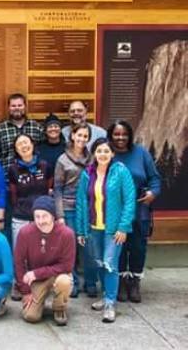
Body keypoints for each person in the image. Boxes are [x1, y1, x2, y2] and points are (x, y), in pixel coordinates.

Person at [76, 138, 136, 323]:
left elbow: (130, 200)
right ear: (94, 154)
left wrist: (123, 227)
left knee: (110, 264)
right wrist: (81, 230)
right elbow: (81, 203)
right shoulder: (87, 174)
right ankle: (105, 296)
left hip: (113, 230)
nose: (102, 154)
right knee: (99, 263)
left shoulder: (120, 172)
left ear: (112, 154)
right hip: (94, 228)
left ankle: (110, 302)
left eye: (106, 151)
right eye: (99, 151)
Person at [108, 120, 161, 303]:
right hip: (116, 210)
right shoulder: (108, 153)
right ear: (111, 135)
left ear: (130, 135)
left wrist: (152, 193)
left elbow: (155, 179)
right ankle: (121, 281)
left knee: (138, 247)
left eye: (124, 134)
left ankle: (135, 281)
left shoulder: (141, 153)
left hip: (140, 209)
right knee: (119, 247)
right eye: (116, 134)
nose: (120, 137)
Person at [15, 196, 75, 326]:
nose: (41, 221)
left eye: (45, 216)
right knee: (31, 316)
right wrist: (25, 291)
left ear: (53, 216)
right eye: (37, 216)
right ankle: (39, 303)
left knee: (65, 281)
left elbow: (67, 266)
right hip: (37, 281)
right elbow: (18, 263)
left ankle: (59, 308)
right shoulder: (25, 233)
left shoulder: (66, 234)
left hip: (58, 275)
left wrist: (37, 273)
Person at [53, 123, 97, 298]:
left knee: (89, 247)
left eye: (85, 136)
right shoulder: (62, 159)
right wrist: (60, 215)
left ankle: (91, 282)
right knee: (70, 248)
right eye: (79, 135)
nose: (82, 139)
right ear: (72, 136)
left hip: (88, 208)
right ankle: (73, 282)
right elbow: (57, 189)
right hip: (68, 207)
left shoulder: (92, 159)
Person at [9, 133, 52, 249]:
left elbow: (49, 189)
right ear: (16, 150)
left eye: (26, 142)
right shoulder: (13, 169)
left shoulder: (45, 165)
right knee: (20, 252)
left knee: (42, 252)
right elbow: (13, 196)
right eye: (19, 144)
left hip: (42, 217)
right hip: (21, 217)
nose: (23, 146)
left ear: (32, 144)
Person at [0, 93, 44, 175]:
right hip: (7, 178)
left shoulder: (36, 127)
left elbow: (43, 153)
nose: (17, 108)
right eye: (13, 106)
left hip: (34, 177)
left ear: (25, 106)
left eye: (20, 105)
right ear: (9, 108)